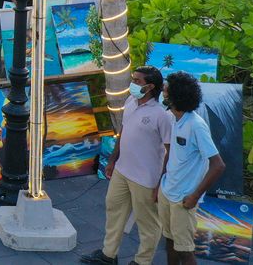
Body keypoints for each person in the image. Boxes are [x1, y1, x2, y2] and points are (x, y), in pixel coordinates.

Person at [82, 66, 172, 265]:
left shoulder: (161, 115)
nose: (133, 83)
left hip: (146, 178)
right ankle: (108, 254)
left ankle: (142, 261)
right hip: (123, 170)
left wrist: (162, 183)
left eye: (137, 81)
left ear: (150, 87)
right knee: (114, 209)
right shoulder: (131, 101)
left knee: (147, 222)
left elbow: (170, 150)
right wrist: (113, 160)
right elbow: (123, 132)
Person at [158, 71, 226, 265]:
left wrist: (195, 196)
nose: (163, 91)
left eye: (166, 88)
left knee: (185, 251)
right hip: (168, 191)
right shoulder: (173, 119)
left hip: (183, 198)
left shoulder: (196, 125)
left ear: (175, 95)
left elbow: (218, 165)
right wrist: (161, 185)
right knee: (169, 241)